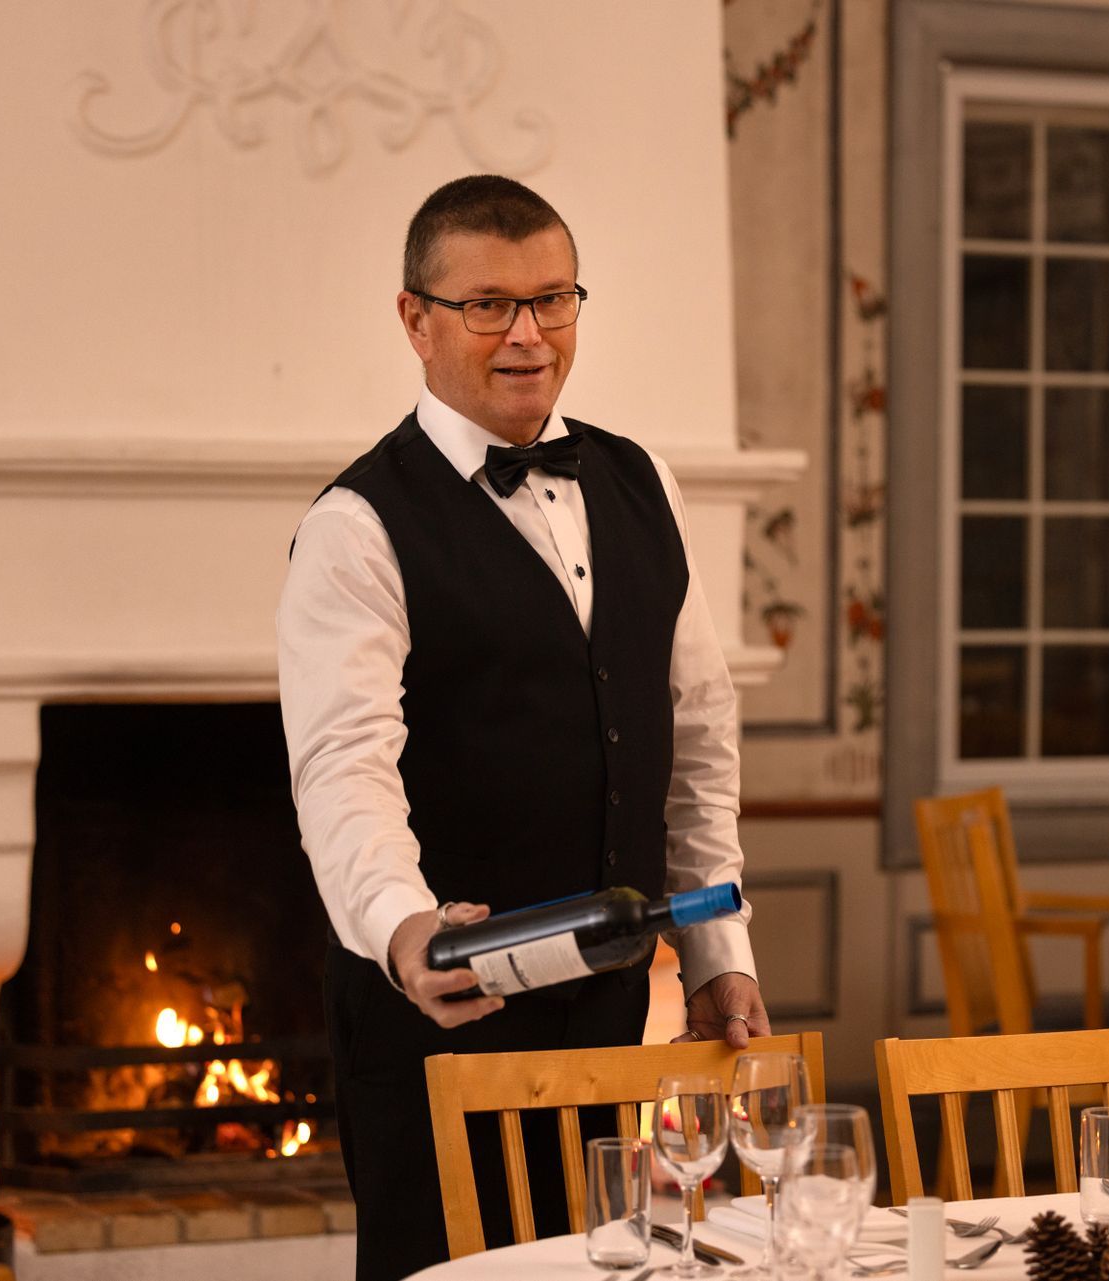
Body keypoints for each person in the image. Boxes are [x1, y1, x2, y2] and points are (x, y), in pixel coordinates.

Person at [277, 174, 768, 1281]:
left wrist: (717, 949)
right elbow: (343, 768)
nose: (529, 335)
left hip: (614, 1017)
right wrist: (405, 929)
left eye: (552, 299)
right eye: (488, 305)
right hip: (439, 1019)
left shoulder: (643, 481)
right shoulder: (356, 526)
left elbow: (696, 733)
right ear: (416, 319)